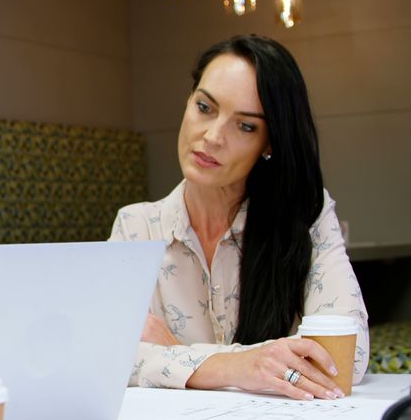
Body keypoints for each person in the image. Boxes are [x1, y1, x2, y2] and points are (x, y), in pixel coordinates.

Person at [109, 35, 368, 400]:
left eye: (245, 126)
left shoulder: (305, 215)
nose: (213, 136)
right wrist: (239, 365)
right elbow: (105, 355)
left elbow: (346, 357)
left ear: (269, 143)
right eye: (205, 107)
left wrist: (172, 354)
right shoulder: (135, 227)